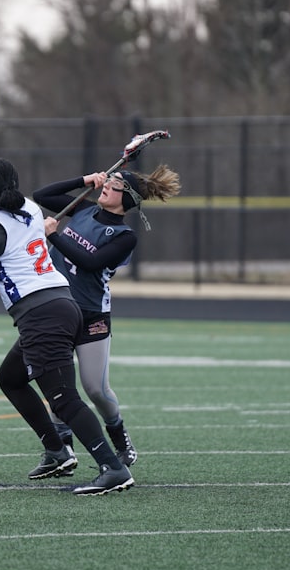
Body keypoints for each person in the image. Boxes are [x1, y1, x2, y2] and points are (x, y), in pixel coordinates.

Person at [0, 157, 134, 495]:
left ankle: (113, 467)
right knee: (10, 378)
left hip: (41, 316)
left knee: (64, 399)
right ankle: (56, 450)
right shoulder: (29, 208)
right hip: (63, 304)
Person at [31, 164, 181, 467]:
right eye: (107, 182)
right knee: (57, 385)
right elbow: (42, 194)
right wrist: (83, 179)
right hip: (59, 309)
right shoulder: (83, 209)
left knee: (96, 389)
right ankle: (64, 448)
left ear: (126, 199)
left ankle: (120, 437)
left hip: (91, 314)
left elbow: (90, 262)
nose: (106, 187)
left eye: (113, 185)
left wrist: (55, 236)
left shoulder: (125, 236)